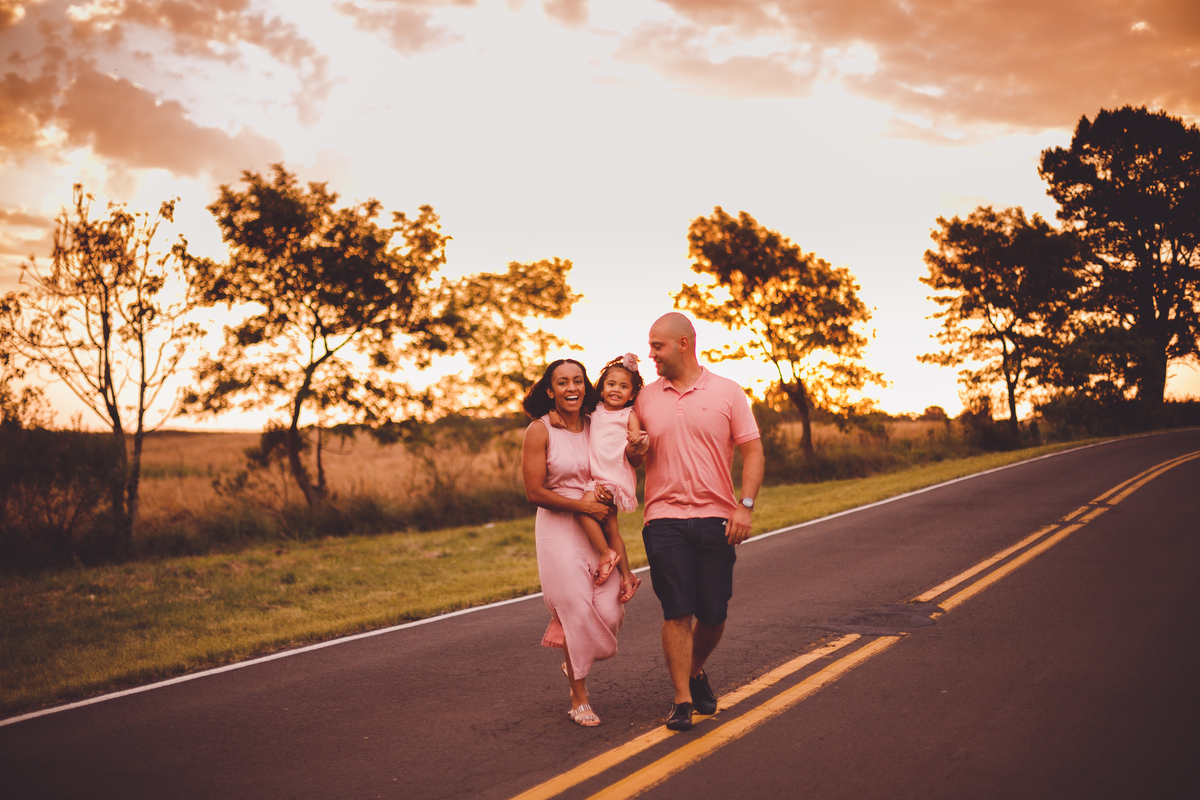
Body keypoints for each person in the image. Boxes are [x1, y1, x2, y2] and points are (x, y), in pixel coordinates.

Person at [626, 312, 764, 732]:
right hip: (663, 519)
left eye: (658, 346)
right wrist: (635, 451)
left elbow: (752, 452)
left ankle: (694, 671)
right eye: (649, 346)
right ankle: (682, 701)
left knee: (714, 611)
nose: (651, 354)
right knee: (677, 610)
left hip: (717, 519)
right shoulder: (645, 398)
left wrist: (745, 506)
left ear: (684, 343)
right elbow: (631, 460)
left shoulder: (727, 392)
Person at [520, 359, 640, 727]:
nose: (571, 388)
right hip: (558, 526)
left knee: (608, 611)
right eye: (562, 382)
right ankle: (579, 697)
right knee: (575, 607)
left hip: (598, 524)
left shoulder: (597, 423)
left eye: (577, 381)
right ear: (550, 390)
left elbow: (625, 450)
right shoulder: (539, 431)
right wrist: (579, 504)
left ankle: (573, 655)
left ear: (586, 386)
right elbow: (534, 491)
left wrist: (626, 566)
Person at [549, 353, 646, 596]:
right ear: (601, 389)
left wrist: (635, 439)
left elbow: (638, 437)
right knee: (612, 530)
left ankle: (605, 555)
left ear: (632, 394)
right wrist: (553, 412)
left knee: (583, 509)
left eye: (624, 387)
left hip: (613, 478)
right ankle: (626, 576)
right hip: (599, 478)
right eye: (611, 384)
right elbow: (569, 408)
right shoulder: (596, 410)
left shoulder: (628, 415)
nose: (616, 390)